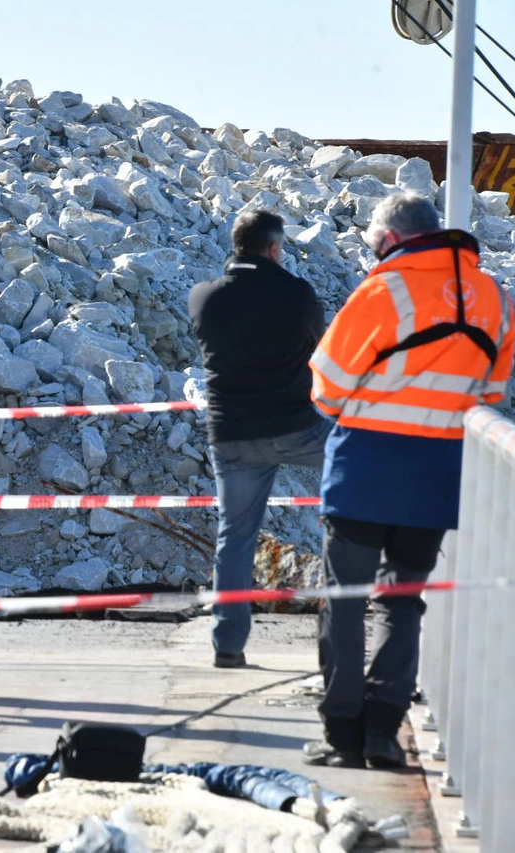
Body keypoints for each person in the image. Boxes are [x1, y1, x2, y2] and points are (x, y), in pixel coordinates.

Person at [303, 191, 515, 769]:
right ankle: (382, 733)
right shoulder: (494, 297)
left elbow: (326, 389)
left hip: (365, 470)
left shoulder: (382, 289)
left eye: (374, 244)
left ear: (391, 240)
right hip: (436, 475)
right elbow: (492, 394)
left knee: (345, 602)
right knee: (403, 603)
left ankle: (341, 732)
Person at [188, 209, 331, 669]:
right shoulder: (297, 294)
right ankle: (345, 622)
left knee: (235, 536)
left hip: (231, 436)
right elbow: (323, 352)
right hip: (298, 429)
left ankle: (227, 646)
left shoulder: (203, 297)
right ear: (274, 248)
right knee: (363, 465)